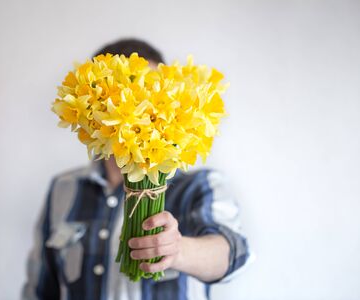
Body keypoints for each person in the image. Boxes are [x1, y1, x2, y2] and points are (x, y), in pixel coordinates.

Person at [22, 38, 252, 300]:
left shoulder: (200, 186)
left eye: (149, 96)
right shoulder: (64, 188)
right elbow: (40, 289)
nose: (139, 109)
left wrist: (178, 251)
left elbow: (233, 253)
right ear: (92, 112)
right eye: (121, 95)